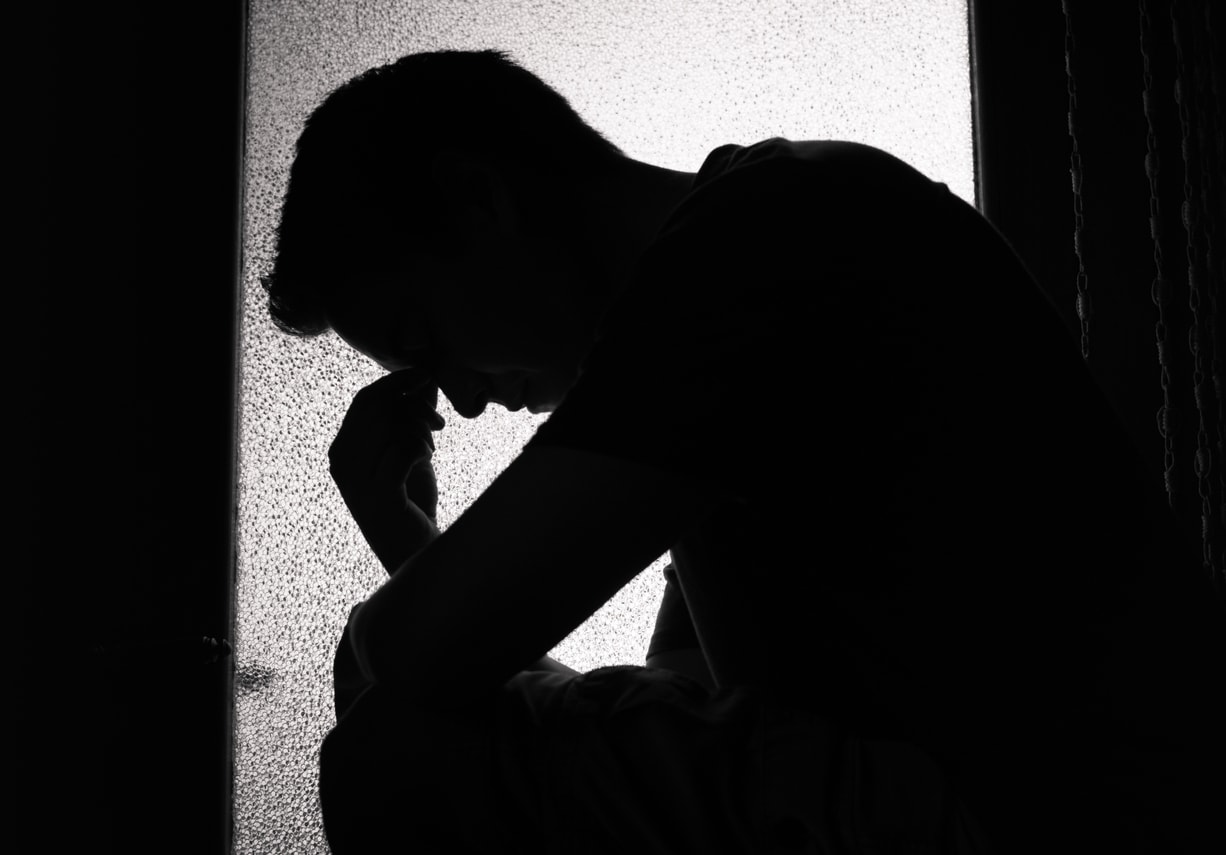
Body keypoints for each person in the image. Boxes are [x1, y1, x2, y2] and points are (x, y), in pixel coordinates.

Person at [262, 50, 1226, 854]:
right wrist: (406, 534)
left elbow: (413, 663)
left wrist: (408, 613)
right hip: (1019, 808)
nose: (465, 398)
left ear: (479, 202)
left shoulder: (760, 247)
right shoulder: (709, 414)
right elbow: (675, 725)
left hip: (1052, 818)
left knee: (394, 750)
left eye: (431, 339)